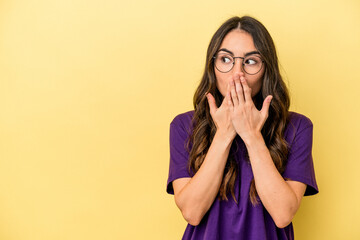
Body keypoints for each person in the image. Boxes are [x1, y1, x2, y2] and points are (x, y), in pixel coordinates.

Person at [166, 16, 318, 240]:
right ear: (213, 66)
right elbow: (192, 212)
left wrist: (251, 136)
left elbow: (283, 214)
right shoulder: (184, 125)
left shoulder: (297, 127)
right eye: (226, 59)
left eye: (250, 61)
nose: (238, 74)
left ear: (267, 69)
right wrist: (225, 133)